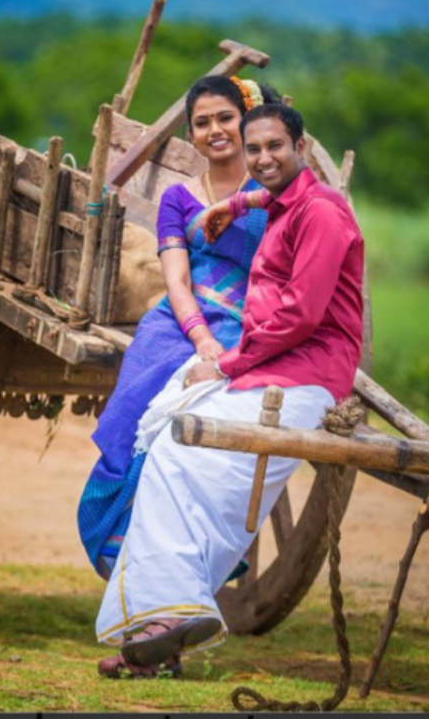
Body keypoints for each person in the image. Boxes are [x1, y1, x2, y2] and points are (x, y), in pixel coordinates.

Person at [94, 102, 365, 676]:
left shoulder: (321, 213)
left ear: (300, 148)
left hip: (306, 374)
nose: (263, 158)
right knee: (165, 447)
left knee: (186, 457)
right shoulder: (284, 202)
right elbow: (267, 196)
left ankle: (169, 617)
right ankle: (161, 625)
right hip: (275, 368)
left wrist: (224, 365)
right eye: (255, 148)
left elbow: (300, 315)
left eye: (276, 147)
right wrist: (232, 205)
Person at [78, 75, 278, 588]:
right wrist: (201, 339)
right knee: (134, 413)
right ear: (191, 135)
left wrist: (230, 344)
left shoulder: (273, 193)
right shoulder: (178, 199)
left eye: (226, 118)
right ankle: (122, 544)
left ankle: (195, 548)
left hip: (249, 322)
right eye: (203, 123)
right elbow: (177, 280)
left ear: (247, 122)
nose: (216, 130)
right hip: (177, 323)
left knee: (208, 422)